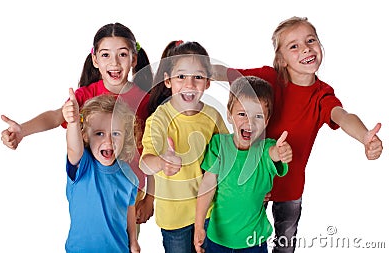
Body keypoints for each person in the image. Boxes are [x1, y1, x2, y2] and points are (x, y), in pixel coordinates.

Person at [212, 16, 383, 253]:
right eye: (294, 45)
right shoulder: (269, 78)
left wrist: (365, 136)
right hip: (252, 181)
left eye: (311, 40)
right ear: (281, 60)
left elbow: (342, 116)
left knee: (285, 242)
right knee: (246, 239)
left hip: (290, 188)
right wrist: (201, 69)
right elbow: (229, 73)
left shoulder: (321, 94)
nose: (306, 48)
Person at [0, 23, 154, 228]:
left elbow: (154, 150)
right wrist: (23, 130)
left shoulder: (145, 100)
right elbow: (56, 116)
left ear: (134, 59)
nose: (114, 63)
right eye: (106, 55)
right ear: (95, 59)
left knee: (125, 243)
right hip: (93, 185)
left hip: (130, 188)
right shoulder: (85, 96)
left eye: (122, 54)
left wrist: (150, 199)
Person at [139, 41, 229, 253]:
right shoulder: (159, 119)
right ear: (168, 80)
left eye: (197, 77)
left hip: (208, 211)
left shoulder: (213, 116)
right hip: (174, 216)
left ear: (207, 82)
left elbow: (229, 155)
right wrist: (162, 162)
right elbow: (145, 163)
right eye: (181, 76)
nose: (189, 84)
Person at [194, 76, 293, 253]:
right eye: (242, 114)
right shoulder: (219, 145)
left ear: (267, 121)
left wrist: (282, 151)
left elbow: (275, 154)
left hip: (253, 242)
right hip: (218, 239)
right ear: (229, 115)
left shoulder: (266, 148)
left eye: (258, 116)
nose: (249, 122)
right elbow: (207, 186)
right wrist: (199, 225)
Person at [62, 91, 139, 253]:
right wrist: (74, 123)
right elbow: (73, 147)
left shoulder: (129, 175)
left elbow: (129, 209)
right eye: (99, 133)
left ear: (126, 136)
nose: (109, 140)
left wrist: (133, 241)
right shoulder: (83, 166)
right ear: (85, 136)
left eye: (116, 133)